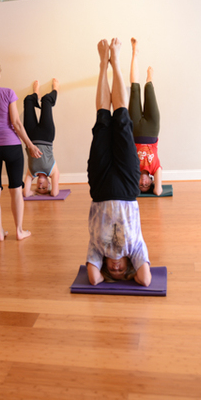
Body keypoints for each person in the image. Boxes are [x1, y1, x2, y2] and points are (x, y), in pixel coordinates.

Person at [86, 38, 152, 287]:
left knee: (103, 119)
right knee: (122, 118)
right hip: (127, 187)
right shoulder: (135, 248)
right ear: (128, 266)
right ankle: (116, 62)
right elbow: (145, 279)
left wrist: (105, 275)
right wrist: (131, 274)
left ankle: (103, 66)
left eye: (111, 271)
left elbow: (94, 279)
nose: (115, 268)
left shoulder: (97, 250)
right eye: (120, 271)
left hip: (100, 187)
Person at [0, 59, 42, 241]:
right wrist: (30, 145)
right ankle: (19, 231)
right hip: (12, 147)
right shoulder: (8, 93)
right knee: (16, 189)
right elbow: (16, 123)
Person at [129, 38, 163, 195]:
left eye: (140, 186)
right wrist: (155, 186)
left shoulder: (132, 167)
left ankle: (134, 53)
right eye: (146, 185)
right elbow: (158, 192)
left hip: (135, 129)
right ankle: (149, 78)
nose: (143, 183)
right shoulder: (155, 168)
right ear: (151, 181)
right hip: (152, 129)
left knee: (134, 88)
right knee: (149, 88)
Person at [23, 79, 61, 197]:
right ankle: (56, 89)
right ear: (49, 183)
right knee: (46, 100)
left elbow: (25, 193)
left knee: (27, 100)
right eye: (44, 187)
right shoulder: (53, 171)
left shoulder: (31, 172)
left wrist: (33, 192)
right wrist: (48, 192)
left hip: (31, 136)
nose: (40, 186)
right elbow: (54, 193)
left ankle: (35, 94)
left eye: (38, 188)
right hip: (46, 136)